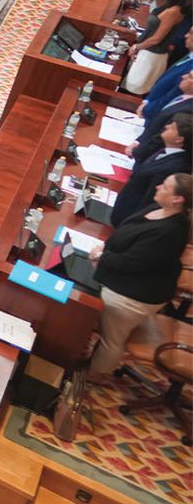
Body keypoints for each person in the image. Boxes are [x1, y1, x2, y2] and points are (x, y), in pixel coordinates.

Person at [87, 173, 191, 375]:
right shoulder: (158, 208)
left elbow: (133, 263)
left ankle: (94, 375)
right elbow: (126, 231)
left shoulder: (171, 231)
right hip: (125, 274)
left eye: (165, 186)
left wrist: (101, 257)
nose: (158, 186)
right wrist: (105, 250)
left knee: (111, 339)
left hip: (134, 295)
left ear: (177, 199)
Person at [110, 114, 192, 227]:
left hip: (127, 220)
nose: (167, 126)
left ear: (179, 139)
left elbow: (149, 201)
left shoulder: (174, 168)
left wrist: (127, 226)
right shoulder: (165, 152)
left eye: (172, 127)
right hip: (122, 210)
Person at [126, 0, 192, 94]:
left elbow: (156, 39)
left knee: (135, 87)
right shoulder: (171, 6)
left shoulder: (173, 12)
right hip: (148, 51)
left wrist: (136, 47)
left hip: (152, 55)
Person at [131, 72, 193, 163]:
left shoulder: (189, 109)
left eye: (190, 77)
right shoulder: (184, 97)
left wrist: (137, 152)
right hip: (143, 145)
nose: (183, 76)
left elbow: (164, 136)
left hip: (149, 158)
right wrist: (138, 141)